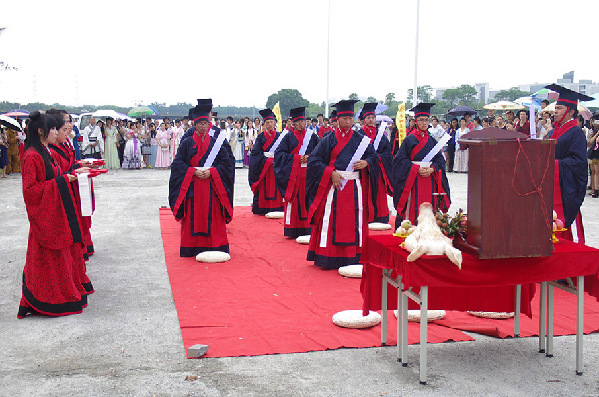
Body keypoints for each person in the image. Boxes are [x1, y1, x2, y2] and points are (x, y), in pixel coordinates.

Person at [17, 111, 92, 318]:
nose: (56, 132)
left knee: (59, 259)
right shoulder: (32, 155)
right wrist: (61, 182)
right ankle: (45, 299)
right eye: (52, 128)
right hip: (44, 217)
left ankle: (59, 295)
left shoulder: (45, 151)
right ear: (41, 131)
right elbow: (30, 191)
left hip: (55, 214)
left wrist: (65, 178)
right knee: (45, 262)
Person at [306, 99, 379, 269]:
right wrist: (330, 173)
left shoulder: (362, 139)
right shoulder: (327, 139)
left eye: (351, 118)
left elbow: (374, 157)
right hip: (335, 186)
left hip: (354, 186)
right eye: (345, 118)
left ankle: (355, 255)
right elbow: (314, 161)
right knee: (331, 220)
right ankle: (329, 256)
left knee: (354, 220)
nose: (348, 121)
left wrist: (367, 163)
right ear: (338, 119)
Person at [169, 103, 235, 257]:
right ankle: (191, 246)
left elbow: (226, 163)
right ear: (195, 124)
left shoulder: (215, 143)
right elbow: (178, 164)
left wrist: (212, 171)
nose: (203, 126)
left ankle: (215, 245)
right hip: (193, 187)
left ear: (209, 124)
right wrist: (192, 171)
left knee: (214, 216)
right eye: (200, 123)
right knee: (193, 216)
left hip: (212, 187)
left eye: (205, 123)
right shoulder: (187, 142)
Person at [545, 84, 592, 242]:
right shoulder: (552, 132)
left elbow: (578, 163)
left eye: (559, 108)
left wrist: (554, 165)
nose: (555, 111)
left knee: (557, 224)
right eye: (555, 108)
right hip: (547, 186)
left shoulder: (576, 133)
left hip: (563, 188)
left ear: (570, 111)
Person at [392, 103, 450, 228]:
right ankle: (411, 227)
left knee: (429, 204)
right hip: (413, 178)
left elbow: (440, 160)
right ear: (415, 121)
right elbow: (400, 159)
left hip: (429, 178)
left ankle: (429, 228)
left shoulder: (432, 140)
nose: (424, 123)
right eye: (421, 120)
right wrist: (415, 168)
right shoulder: (409, 140)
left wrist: (432, 169)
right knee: (414, 205)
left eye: (426, 120)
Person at [273, 106, 319, 238]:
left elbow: (321, 153)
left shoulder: (313, 137)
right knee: (295, 201)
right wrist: (297, 158)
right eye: (298, 122)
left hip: (309, 175)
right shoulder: (288, 137)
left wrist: (310, 157)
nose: (301, 124)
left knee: (309, 199)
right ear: (293, 123)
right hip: (293, 175)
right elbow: (279, 155)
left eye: (303, 121)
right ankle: (293, 228)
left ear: (306, 122)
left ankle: (309, 227)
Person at [359, 102, 393, 224]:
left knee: (378, 192)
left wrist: (377, 158)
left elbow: (387, 153)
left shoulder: (381, 135)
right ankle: (366, 216)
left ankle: (380, 216)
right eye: (368, 117)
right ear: (364, 119)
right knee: (364, 192)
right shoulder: (359, 135)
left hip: (378, 169)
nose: (371, 120)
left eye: (373, 117)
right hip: (364, 171)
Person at [248, 108, 285, 215]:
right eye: (267, 122)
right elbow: (256, 153)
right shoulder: (260, 137)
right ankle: (263, 207)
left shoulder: (280, 137)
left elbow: (284, 151)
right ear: (264, 124)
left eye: (271, 122)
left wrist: (277, 160)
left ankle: (277, 206)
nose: (269, 124)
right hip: (264, 168)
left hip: (276, 166)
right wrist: (267, 161)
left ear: (275, 123)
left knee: (277, 186)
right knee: (264, 186)